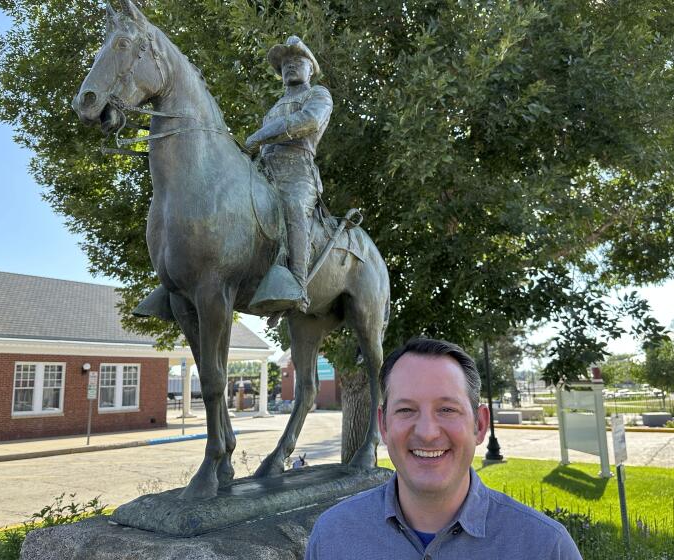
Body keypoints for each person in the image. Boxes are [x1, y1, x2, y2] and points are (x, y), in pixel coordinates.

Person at [305, 338, 583, 559]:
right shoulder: (332, 536)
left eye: (447, 409)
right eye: (406, 410)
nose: (427, 433)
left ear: (480, 425)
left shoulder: (546, 548)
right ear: (384, 426)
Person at [245, 35, 333, 314]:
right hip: (264, 171)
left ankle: (297, 286)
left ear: (311, 69)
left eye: (298, 62)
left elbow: (308, 121)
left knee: (294, 207)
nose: (290, 67)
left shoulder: (318, 95)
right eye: (285, 64)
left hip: (297, 170)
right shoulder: (273, 109)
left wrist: (259, 135)